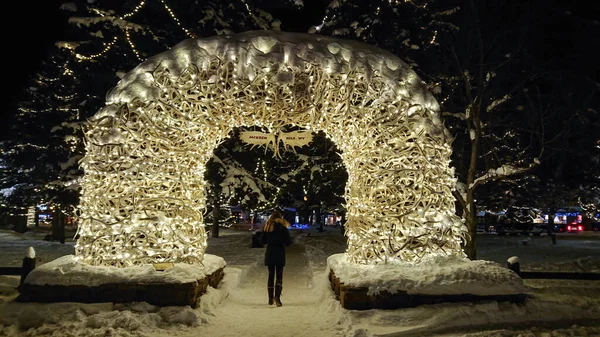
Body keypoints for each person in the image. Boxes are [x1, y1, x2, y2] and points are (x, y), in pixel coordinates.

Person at [260, 209, 292, 307]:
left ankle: (270, 298)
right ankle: (277, 297)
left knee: (270, 275)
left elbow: (262, 240)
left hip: (270, 252)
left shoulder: (268, 227)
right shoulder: (283, 228)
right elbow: (288, 242)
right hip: (280, 252)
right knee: (279, 275)